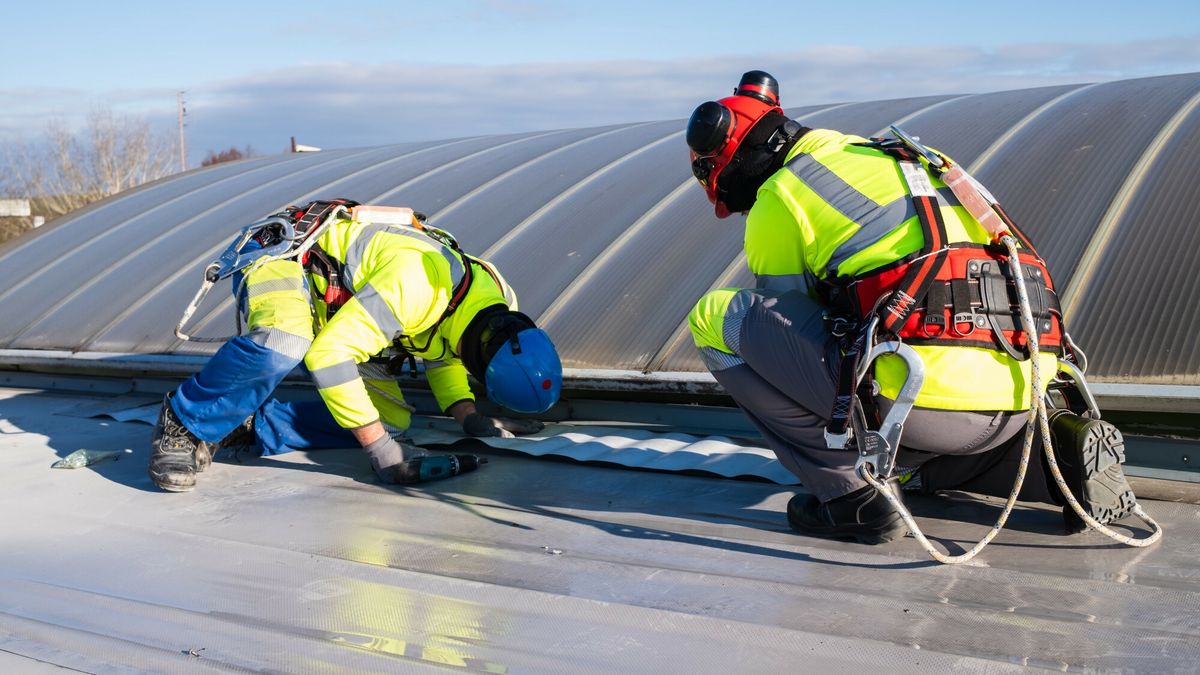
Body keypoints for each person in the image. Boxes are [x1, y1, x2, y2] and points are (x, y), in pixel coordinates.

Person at [684, 71, 1138, 543]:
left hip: (919, 402)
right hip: (1023, 397)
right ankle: (1052, 458)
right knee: (927, 437)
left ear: (730, 160)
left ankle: (852, 496)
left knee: (717, 318)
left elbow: (787, 330)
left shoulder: (781, 193)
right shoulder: (917, 158)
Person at [150, 199, 562, 492]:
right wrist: (380, 451)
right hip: (287, 259)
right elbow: (327, 356)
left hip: (345, 301)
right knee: (285, 340)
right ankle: (184, 421)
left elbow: (444, 350)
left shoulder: (498, 299)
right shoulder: (416, 287)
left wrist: (469, 417)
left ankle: (248, 424)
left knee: (389, 423)